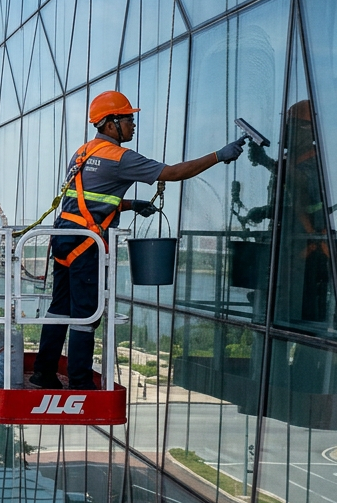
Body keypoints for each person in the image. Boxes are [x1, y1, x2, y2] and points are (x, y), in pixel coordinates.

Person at [32, 90, 246, 390]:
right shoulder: (120, 158)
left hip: (64, 237)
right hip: (87, 245)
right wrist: (217, 156)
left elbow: (89, 199)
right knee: (85, 314)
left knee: (59, 308)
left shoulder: (82, 153)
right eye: (128, 119)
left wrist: (132, 204)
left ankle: (43, 372)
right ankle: (80, 381)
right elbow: (172, 172)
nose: (133, 125)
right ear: (109, 124)